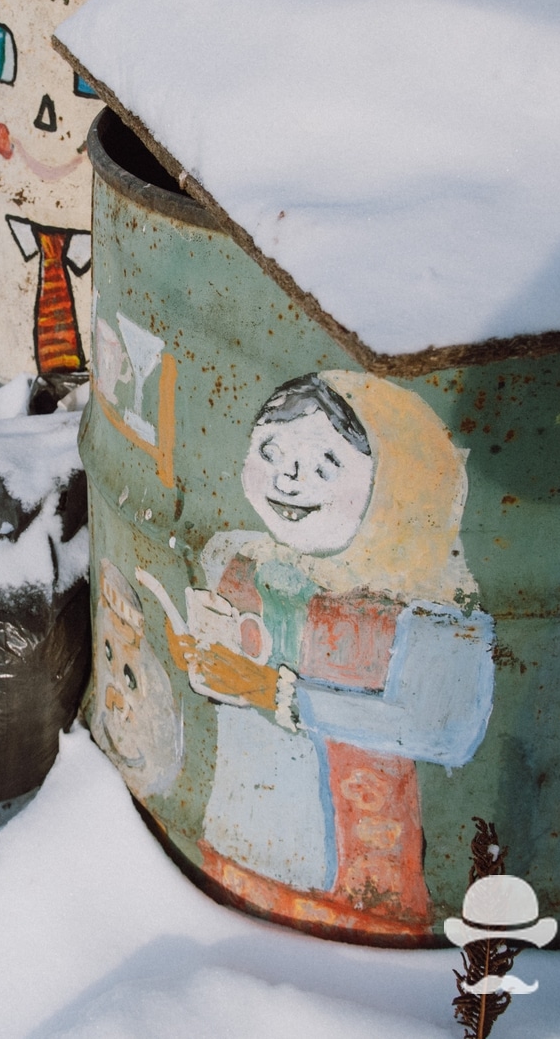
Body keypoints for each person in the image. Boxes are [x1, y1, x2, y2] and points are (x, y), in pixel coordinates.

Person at [165, 370, 494, 944]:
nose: (289, 479)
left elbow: (446, 726)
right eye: (271, 451)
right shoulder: (245, 563)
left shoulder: (428, 598)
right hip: (236, 834)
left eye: (324, 465)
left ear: (395, 482)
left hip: (357, 868)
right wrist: (204, 662)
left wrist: (280, 696)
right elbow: (239, 673)